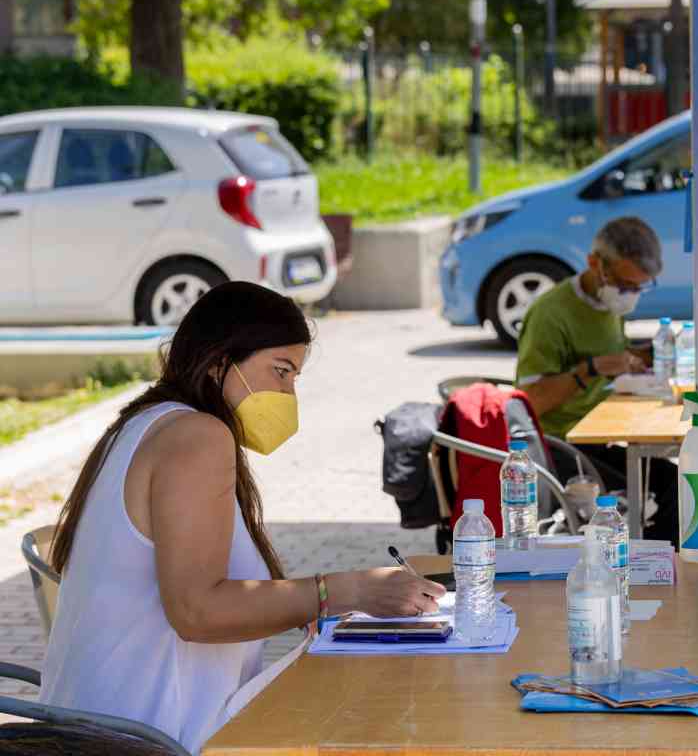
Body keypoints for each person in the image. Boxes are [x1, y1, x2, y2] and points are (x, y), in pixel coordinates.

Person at [39, 282, 446, 754]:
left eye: (294, 378)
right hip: (145, 740)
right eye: (281, 371)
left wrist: (311, 602)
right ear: (219, 361)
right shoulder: (196, 435)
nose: (288, 394)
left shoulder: (144, 424)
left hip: (101, 729)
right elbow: (197, 612)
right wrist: (347, 591)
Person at [515, 216, 678, 543]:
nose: (630, 295)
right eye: (624, 285)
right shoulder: (550, 314)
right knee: (659, 491)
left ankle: (656, 558)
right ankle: (647, 561)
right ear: (595, 264)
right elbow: (530, 402)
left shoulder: (607, 305)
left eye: (639, 287)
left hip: (596, 435)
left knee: (675, 481)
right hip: (557, 446)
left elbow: (613, 353)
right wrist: (590, 369)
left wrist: (643, 355)